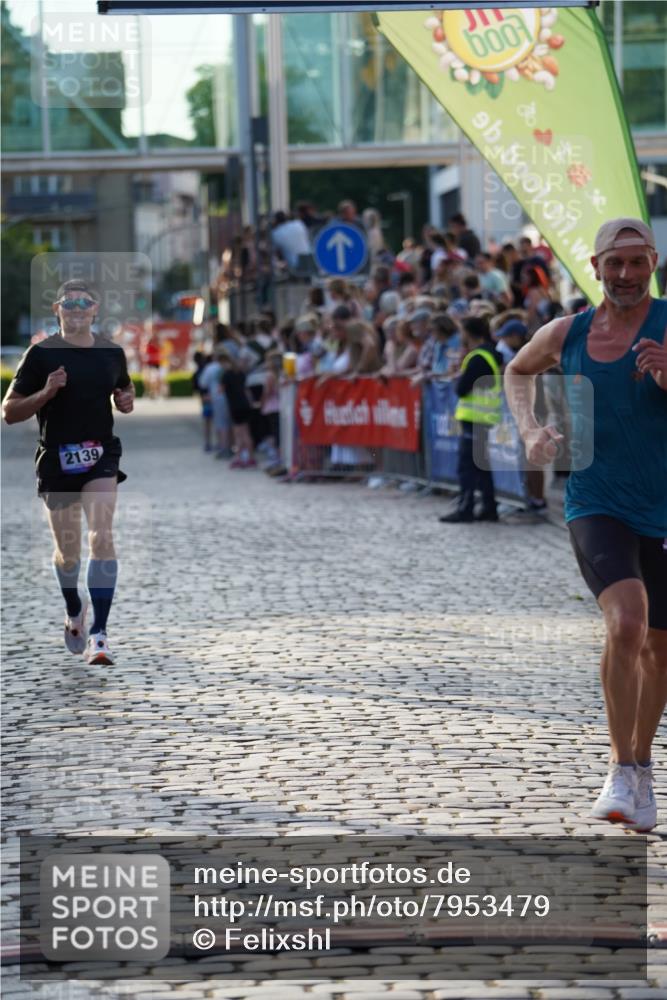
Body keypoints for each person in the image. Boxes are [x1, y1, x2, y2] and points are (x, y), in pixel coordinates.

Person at [505, 217, 667, 831]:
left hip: (663, 506)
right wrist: (530, 432)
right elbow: (517, 371)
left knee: (660, 649)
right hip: (596, 500)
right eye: (614, 263)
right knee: (627, 621)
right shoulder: (566, 332)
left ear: (653, 262)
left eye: (636, 261)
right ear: (595, 267)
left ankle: (642, 768)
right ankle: (621, 768)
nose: (626, 274)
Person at [2, 278, 135, 665]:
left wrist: (126, 399)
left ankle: (99, 635)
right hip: (56, 458)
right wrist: (46, 393)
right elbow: (9, 412)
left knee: (102, 535)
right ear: (57, 309)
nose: (77, 309)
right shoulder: (40, 354)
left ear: (95, 309)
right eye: (69, 303)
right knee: (67, 552)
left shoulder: (112, 352)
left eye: (84, 303)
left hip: (101, 454)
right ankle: (74, 607)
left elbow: (123, 390)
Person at [439, 315, 502, 524]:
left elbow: (462, 388)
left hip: (475, 418)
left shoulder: (478, 357)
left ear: (468, 333)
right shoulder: (489, 354)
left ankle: (465, 508)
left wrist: (458, 376)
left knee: (467, 467)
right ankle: (489, 508)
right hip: (483, 418)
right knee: (481, 466)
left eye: (461, 331)